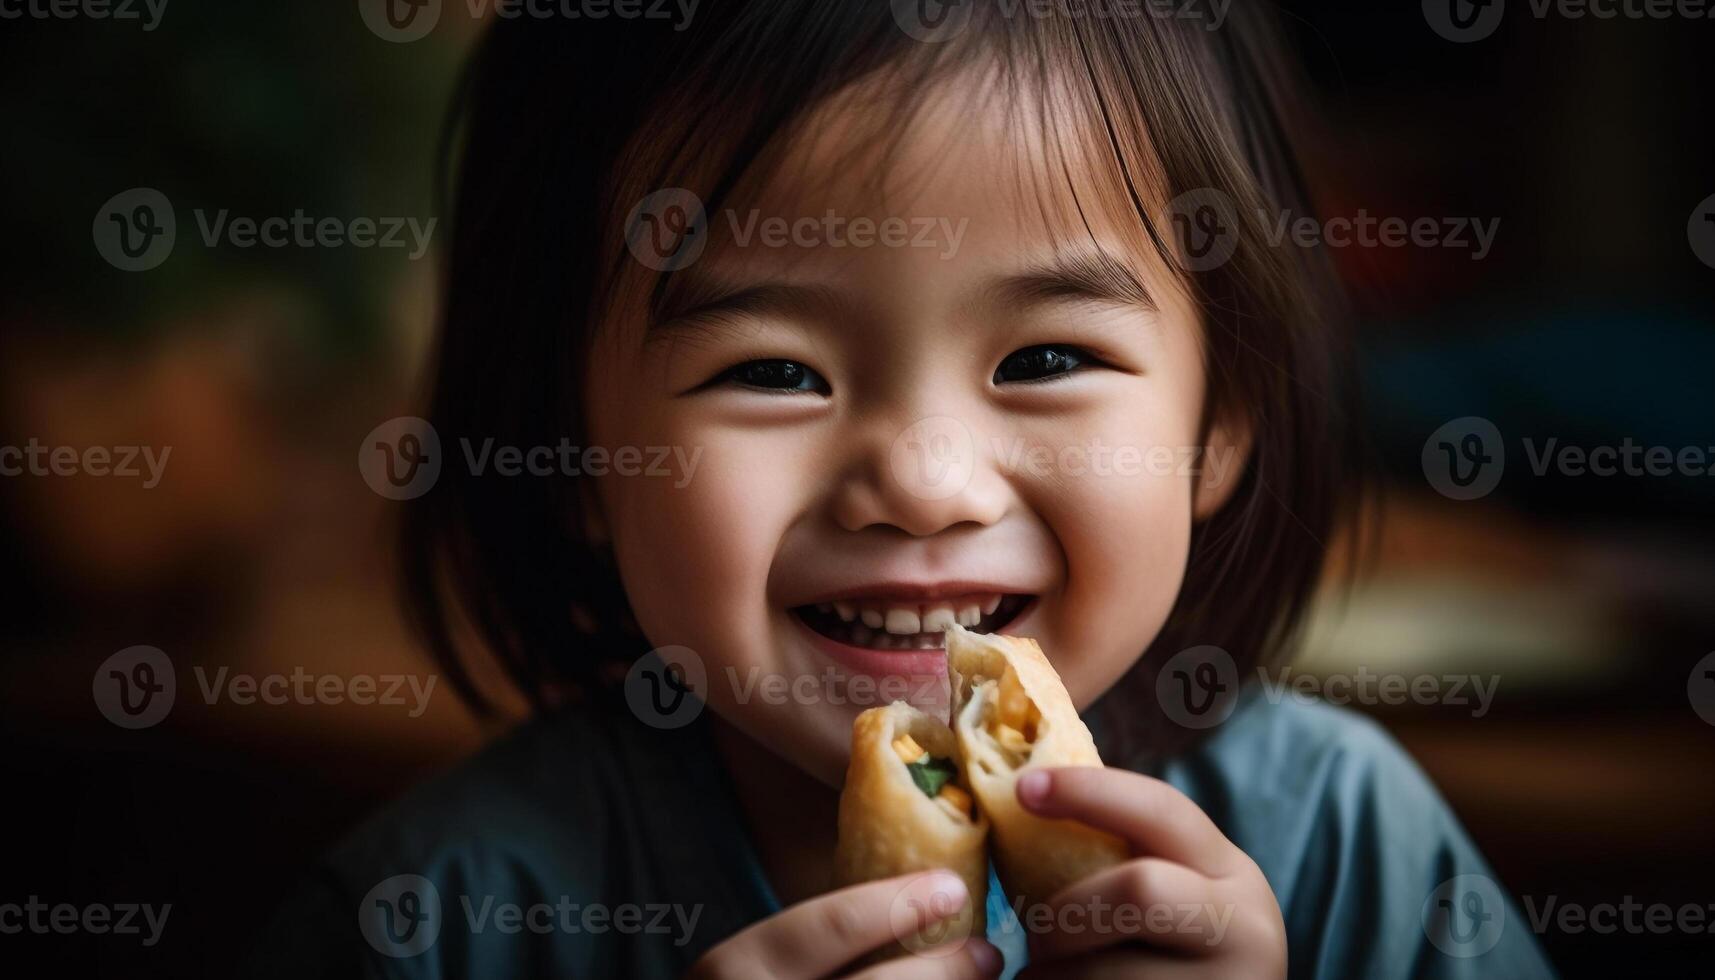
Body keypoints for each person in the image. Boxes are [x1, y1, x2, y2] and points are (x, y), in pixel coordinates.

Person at [251, 4, 1557, 977]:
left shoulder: (1340, 846)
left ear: (1219, 424)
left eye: (1048, 358)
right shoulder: (441, 919)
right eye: (770, 370)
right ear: (571, 446)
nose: (924, 485)